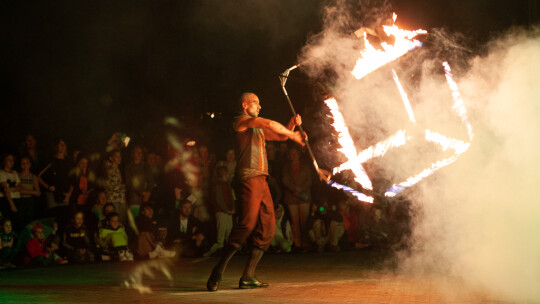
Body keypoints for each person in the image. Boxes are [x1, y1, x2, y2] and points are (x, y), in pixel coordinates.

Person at [206, 92, 305, 291]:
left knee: (268, 229)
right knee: (247, 224)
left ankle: (248, 276)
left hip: (262, 180)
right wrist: (293, 135)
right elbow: (268, 124)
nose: (259, 106)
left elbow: (279, 134)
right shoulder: (241, 121)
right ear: (245, 105)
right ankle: (218, 269)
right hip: (249, 179)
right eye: (256, 103)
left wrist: (291, 125)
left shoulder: (257, 128)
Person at [281, 145, 313, 251]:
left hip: (304, 196)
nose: (293, 155)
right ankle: (297, 244)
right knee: (294, 221)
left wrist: (301, 189)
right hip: (291, 196)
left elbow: (309, 180)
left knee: (304, 220)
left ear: (299, 154)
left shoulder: (305, 165)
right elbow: (284, 180)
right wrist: (293, 189)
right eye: (291, 153)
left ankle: (305, 243)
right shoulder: (286, 166)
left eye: (295, 153)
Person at [38, 139, 73, 228]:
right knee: (52, 218)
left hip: (64, 194)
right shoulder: (50, 160)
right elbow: (38, 176)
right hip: (51, 195)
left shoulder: (68, 162)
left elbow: (73, 180)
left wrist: (69, 194)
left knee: (64, 217)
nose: (61, 147)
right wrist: (48, 187)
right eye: (59, 144)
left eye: (63, 145)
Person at [204, 165, 235, 257]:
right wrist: (227, 210)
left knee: (229, 230)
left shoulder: (228, 185)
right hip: (221, 212)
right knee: (221, 231)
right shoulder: (218, 185)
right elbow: (219, 199)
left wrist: (233, 209)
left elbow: (232, 198)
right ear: (224, 174)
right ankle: (218, 248)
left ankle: (227, 249)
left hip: (228, 211)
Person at [124, 146, 153, 218]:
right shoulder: (128, 167)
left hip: (145, 198)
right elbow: (129, 183)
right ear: (133, 153)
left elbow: (151, 180)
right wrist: (141, 192)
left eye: (141, 152)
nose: (139, 154)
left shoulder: (145, 166)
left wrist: (148, 192)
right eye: (137, 152)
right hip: (134, 198)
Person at [16, 157, 41, 231]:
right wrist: (32, 192)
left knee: (29, 221)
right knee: (20, 220)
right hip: (19, 200)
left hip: (29, 201)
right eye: (23, 163)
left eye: (27, 163)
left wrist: (29, 191)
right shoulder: (17, 175)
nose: (25, 165)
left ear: (30, 165)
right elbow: (19, 190)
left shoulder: (33, 177)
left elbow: (38, 193)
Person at [104, 150, 127, 225]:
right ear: (111, 158)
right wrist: (123, 187)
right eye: (117, 156)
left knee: (121, 221)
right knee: (116, 221)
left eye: (120, 156)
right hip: (114, 199)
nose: (119, 158)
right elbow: (112, 185)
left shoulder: (117, 168)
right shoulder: (110, 169)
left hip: (120, 199)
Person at [0, 154, 21, 228]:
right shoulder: (1, 173)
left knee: (16, 222)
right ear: (4, 161)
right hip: (6, 200)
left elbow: (19, 187)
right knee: (8, 222)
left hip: (16, 198)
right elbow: (5, 189)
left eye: (12, 160)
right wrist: (11, 204)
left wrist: (11, 189)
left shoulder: (15, 173)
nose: (11, 162)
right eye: (9, 160)